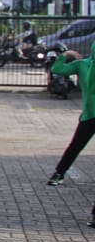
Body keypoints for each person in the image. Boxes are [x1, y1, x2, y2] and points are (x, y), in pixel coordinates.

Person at [46, 43, 95, 186]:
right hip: (90, 114)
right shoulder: (82, 65)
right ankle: (59, 173)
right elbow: (57, 68)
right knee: (76, 146)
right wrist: (66, 54)